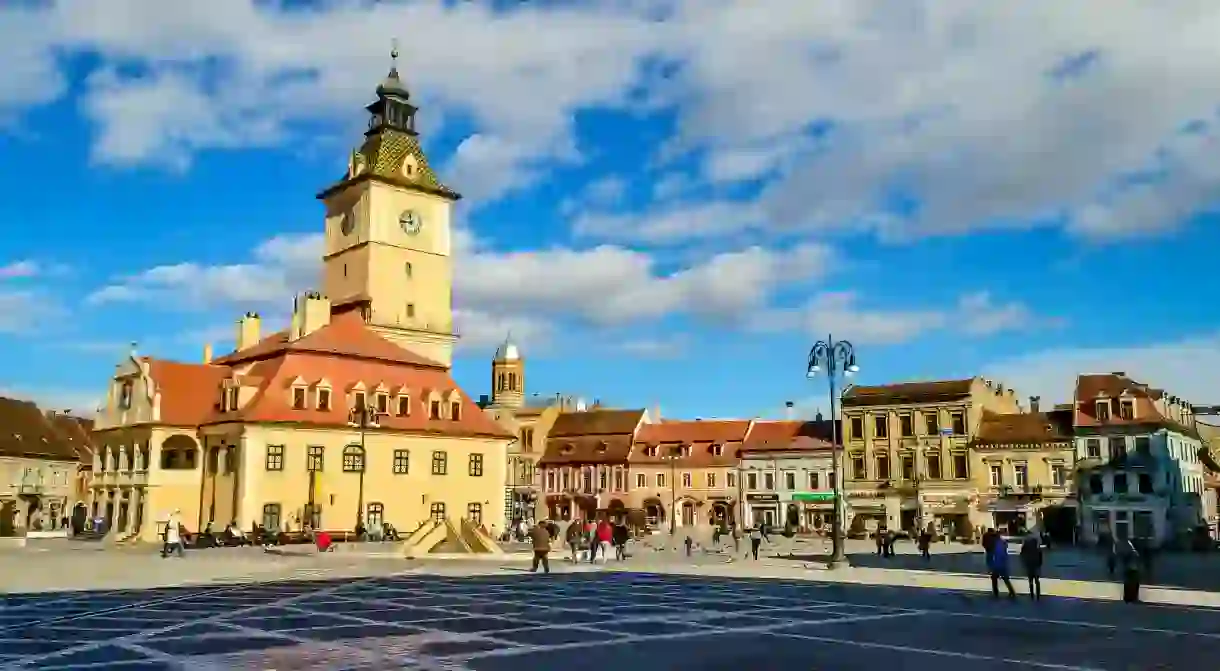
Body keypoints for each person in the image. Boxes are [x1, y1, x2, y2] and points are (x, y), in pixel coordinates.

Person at [988, 533, 1017, 599]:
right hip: (1002, 564)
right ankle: (1012, 592)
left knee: (995, 578)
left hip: (998, 565)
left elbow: (997, 554)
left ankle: (996, 593)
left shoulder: (997, 544)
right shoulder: (1002, 542)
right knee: (1005, 579)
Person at [1020, 533, 1044, 601]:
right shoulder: (1036, 544)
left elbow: (1022, 553)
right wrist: (1040, 563)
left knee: (1030, 580)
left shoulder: (1026, 544)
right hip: (1036, 564)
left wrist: (1024, 562)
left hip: (1029, 564)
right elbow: (1040, 554)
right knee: (1037, 580)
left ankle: (1032, 595)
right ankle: (1038, 596)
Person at [1118, 538, 1141, 603]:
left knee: (1128, 583)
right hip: (1133, 569)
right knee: (1133, 584)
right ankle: (1132, 597)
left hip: (1129, 569)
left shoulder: (1128, 551)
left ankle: (1128, 597)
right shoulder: (1134, 552)